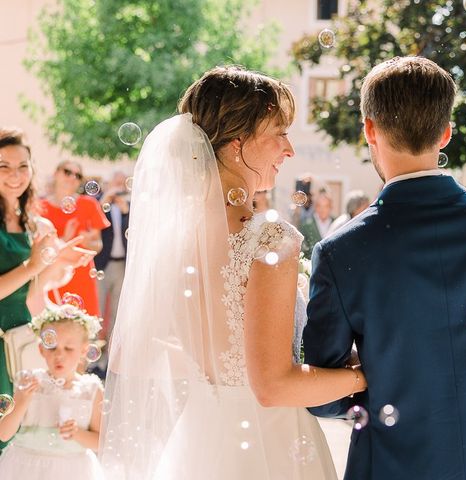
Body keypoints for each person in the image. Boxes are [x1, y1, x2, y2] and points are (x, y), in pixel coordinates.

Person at [100, 66, 367, 479]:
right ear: (238, 143)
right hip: (269, 443)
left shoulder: (173, 239)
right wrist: (363, 375)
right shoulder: (271, 240)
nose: (290, 149)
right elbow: (273, 386)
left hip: (200, 437)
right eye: (279, 132)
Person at [303, 56, 466, 480]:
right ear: (446, 132)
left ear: (370, 129)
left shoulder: (339, 251)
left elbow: (321, 394)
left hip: (392, 465)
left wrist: (379, 375)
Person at [0, 128, 94, 450]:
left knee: (19, 436)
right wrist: (33, 265)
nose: (15, 175)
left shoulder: (33, 223)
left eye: (22, 166)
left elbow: (34, 291)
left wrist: (61, 262)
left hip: (23, 342)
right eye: (4, 166)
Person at [0, 305, 104, 479]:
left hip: (71, 470)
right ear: (41, 350)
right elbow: (4, 434)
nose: (59, 355)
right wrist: (23, 400)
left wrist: (77, 434)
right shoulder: (29, 382)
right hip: (25, 467)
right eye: (52, 347)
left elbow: (100, 441)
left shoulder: (91, 389)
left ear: (84, 350)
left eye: (68, 348)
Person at [41, 161, 110, 315]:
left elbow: (98, 244)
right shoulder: (40, 206)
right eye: (67, 172)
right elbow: (38, 249)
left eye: (77, 175)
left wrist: (87, 242)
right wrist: (64, 239)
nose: (72, 177)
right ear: (56, 173)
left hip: (82, 275)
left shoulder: (89, 204)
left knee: (83, 329)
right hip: (52, 277)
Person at [94, 171, 129, 347]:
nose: (119, 187)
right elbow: (93, 227)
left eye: (122, 184)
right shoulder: (98, 204)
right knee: (97, 311)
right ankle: (94, 357)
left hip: (122, 265)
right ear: (108, 184)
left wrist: (126, 213)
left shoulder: (129, 206)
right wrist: (103, 203)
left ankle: (109, 357)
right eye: (116, 183)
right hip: (101, 265)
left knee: (117, 312)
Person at [299, 192, 334, 258]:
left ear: (330, 207)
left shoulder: (337, 223)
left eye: (326, 206)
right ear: (315, 207)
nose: (322, 210)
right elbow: (303, 248)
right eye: (319, 206)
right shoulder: (306, 225)